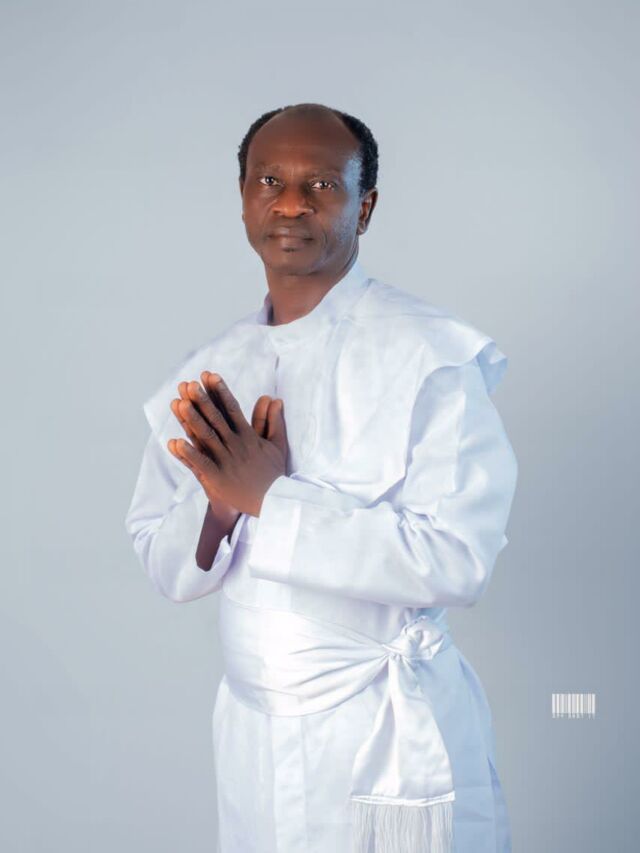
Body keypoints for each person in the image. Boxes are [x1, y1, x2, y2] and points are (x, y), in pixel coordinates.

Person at [124, 102, 518, 853]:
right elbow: (165, 565)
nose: (292, 203)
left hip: (380, 726)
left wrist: (270, 499)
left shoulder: (430, 356)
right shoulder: (209, 371)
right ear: (244, 198)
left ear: (364, 207)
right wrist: (219, 507)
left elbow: (457, 560)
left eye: (323, 185)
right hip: (254, 735)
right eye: (269, 181)